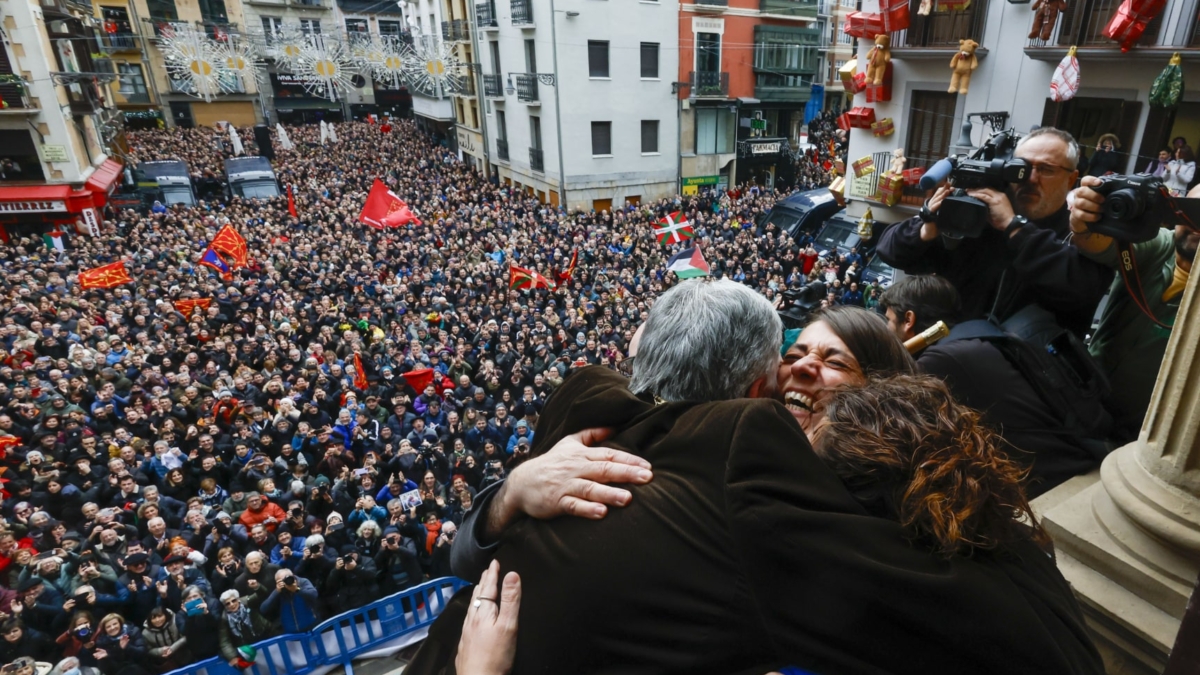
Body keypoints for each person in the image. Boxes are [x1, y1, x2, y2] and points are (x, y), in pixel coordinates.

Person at [413, 283, 1101, 674]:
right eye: (793, 356)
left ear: (886, 395)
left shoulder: (603, 409)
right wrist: (505, 496)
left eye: (833, 362)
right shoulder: (705, 448)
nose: (801, 371)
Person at [878, 275, 1107, 495]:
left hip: (1049, 481)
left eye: (888, 320)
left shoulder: (942, 359)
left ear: (909, 320)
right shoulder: (973, 334)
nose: (887, 328)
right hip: (1071, 458)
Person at [876, 126, 1112, 336]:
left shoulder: (1082, 234)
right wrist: (926, 228)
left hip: (1026, 375)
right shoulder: (978, 217)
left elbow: (1082, 289)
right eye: (1022, 167)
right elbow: (890, 251)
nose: (1030, 178)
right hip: (952, 359)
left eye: (1046, 169)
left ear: (1071, 179)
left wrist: (1014, 227)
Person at [1068, 176, 1200, 441]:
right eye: (1192, 211)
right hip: (1084, 399)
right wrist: (1085, 219)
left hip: (1148, 434)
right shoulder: (1157, 243)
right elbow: (1094, 241)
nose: (1196, 224)